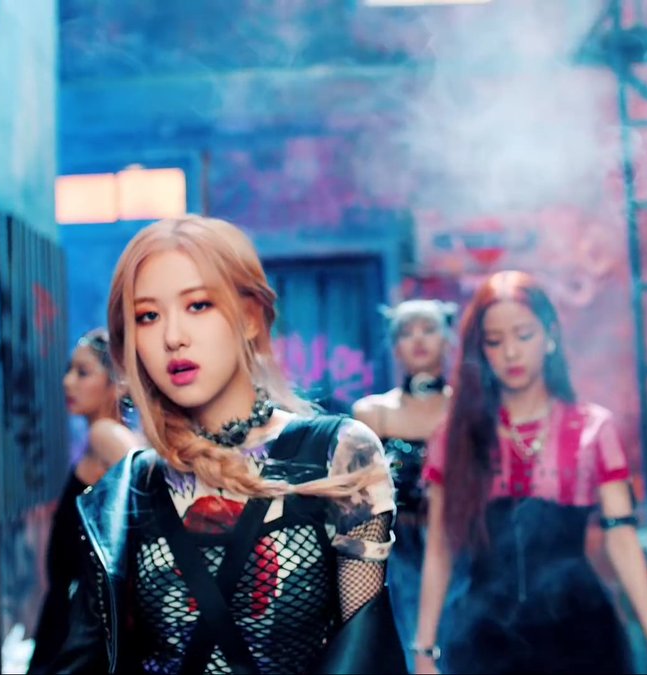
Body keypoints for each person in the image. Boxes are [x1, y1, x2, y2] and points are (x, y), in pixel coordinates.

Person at [49, 215, 405, 674]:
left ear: (250, 317)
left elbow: (364, 655)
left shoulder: (336, 453)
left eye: (198, 305)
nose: (173, 337)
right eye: (148, 316)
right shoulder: (125, 489)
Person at [412, 271, 647, 674]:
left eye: (524, 335)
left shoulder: (592, 429)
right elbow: (439, 547)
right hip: (485, 639)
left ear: (550, 335)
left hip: (581, 635)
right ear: (481, 351)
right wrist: (424, 651)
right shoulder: (455, 437)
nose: (511, 353)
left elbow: (622, 539)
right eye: (495, 341)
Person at [28, 329, 142, 673]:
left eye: (83, 372)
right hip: (75, 615)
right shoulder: (102, 435)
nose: (67, 382)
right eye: (69, 370)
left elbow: (151, 493)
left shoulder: (105, 434)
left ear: (118, 383)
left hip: (80, 625)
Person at [351, 299, 456, 671]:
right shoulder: (372, 412)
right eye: (407, 333)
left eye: (428, 329)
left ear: (447, 339)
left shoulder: (466, 410)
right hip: (397, 550)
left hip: (457, 546)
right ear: (395, 347)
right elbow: (361, 499)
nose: (418, 339)